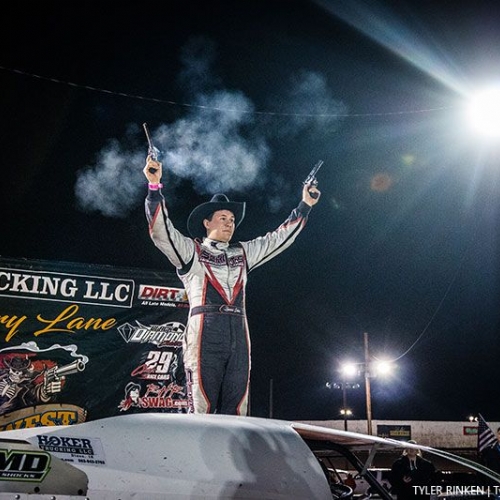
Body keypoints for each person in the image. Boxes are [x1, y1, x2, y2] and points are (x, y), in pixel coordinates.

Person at [143, 155, 321, 415]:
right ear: (207, 223)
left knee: (237, 409)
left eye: (232, 219)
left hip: (239, 334)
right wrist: (154, 187)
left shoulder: (244, 252)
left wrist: (305, 205)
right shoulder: (191, 251)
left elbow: (279, 238)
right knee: (201, 407)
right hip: (204, 334)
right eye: (223, 218)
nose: (229, 223)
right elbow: (161, 231)